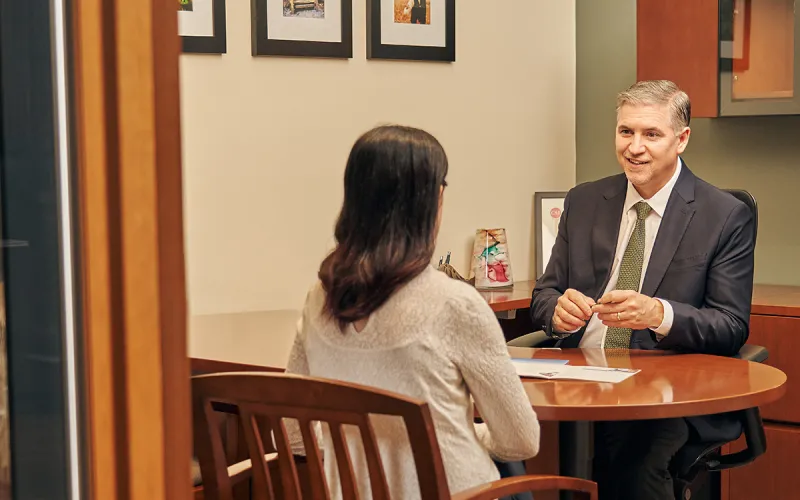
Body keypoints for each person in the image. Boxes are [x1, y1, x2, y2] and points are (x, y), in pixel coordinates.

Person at [286, 125, 540, 499]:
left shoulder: (318, 300)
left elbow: (296, 434)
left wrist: (365, 446)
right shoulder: (456, 304)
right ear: (433, 200)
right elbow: (521, 441)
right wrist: (461, 434)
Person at [529, 80, 755, 500]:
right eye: (625, 132)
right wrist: (555, 312)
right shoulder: (583, 201)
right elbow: (545, 293)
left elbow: (730, 326)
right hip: (578, 375)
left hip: (662, 387)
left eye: (651, 134)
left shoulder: (724, 215)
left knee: (632, 462)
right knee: (498, 436)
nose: (634, 147)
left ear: (682, 138)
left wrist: (659, 315)